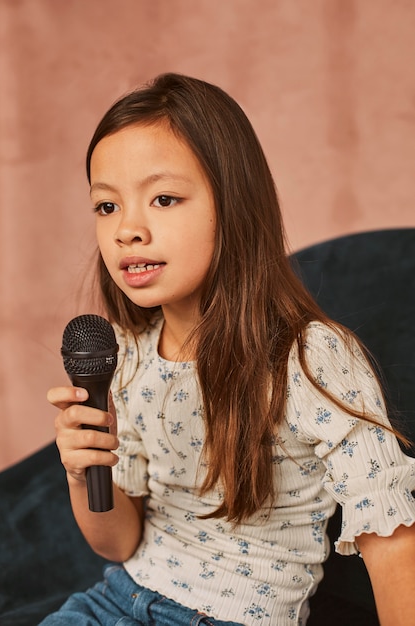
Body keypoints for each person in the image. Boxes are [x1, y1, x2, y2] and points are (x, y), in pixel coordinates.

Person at [41, 73, 415, 626]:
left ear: (233, 205)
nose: (128, 230)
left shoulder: (309, 357)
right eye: (106, 207)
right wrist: (83, 470)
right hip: (115, 598)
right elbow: (118, 544)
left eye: (163, 199)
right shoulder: (127, 357)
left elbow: (393, 534)